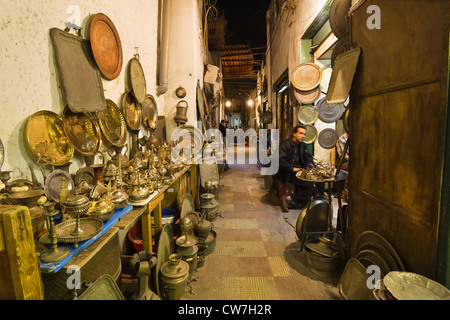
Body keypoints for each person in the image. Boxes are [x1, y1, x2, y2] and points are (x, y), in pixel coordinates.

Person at [278, 125, 325, 212]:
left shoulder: (302, 145)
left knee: (320, 179)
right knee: (313, 189)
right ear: (294, 134)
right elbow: (279, 160)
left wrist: (310, 166)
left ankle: (318, 198)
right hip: (288, 173)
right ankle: (289, 199)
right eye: (300, 133)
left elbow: (308, 158)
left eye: (304, 134)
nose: (303, 136)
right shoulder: (286, 145)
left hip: (300, 171)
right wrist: (292, 168)